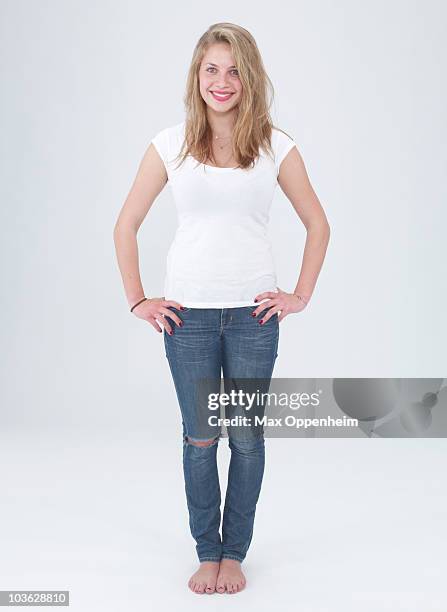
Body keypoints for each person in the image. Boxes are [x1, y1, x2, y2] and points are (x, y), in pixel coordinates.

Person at [113, 22, 330, 595]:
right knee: (201, 438)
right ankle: (207, 551)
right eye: (212, 69)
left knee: (248, 439)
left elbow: (318, 223)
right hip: (189, 319)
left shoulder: (275, 146)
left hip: (254, 318)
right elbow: (126, 223)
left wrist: (299, 294)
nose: (222, 81)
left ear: (250, 76)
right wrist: (138, 297)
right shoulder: (170, 144)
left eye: (234, 70)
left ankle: (235, 554)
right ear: (197, 76)